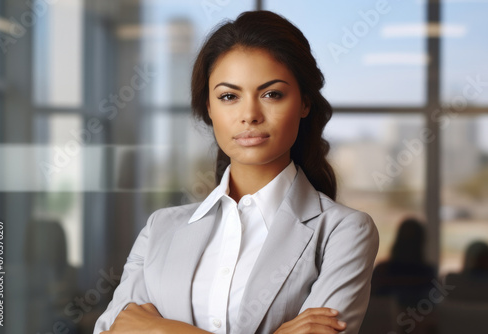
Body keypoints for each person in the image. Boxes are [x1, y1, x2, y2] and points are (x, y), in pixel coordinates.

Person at [94, 10, 379, 334]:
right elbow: (110, 329)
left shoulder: (344, 232)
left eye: (272, 94)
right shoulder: (160, 228)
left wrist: (158, 330)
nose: (250, 115)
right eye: (229, 96)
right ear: (209, 108)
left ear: (304, 103)